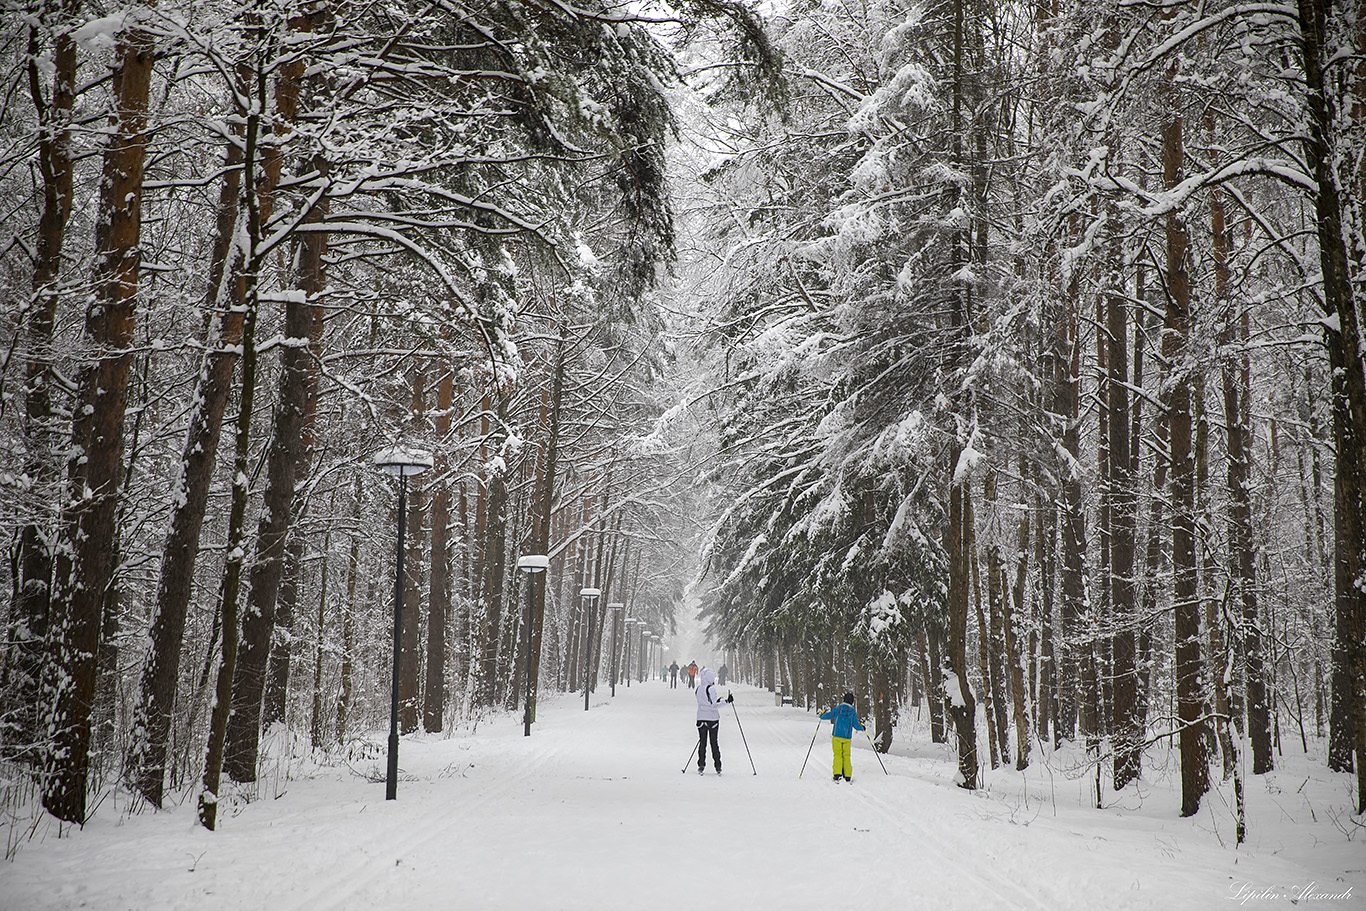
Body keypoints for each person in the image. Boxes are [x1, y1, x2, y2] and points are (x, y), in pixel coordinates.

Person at [820, 692, 866, 782]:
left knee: (837, 755)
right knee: (846, 756)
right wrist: (862, 727)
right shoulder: (852, 711)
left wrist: (822, 716)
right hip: (847, 737)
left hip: (836, 735)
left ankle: (837, 774)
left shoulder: (838, 708)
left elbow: (829, 715)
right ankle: (847, 775)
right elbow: (856, 724)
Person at [694, 667, 733, 774]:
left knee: (702, 742)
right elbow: (713, 706)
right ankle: (718, 765)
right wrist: (727, 701)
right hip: (712, 719)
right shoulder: (710, 689)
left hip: (701, 718)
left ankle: (701, 764)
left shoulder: (698, 689)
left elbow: (705, 702)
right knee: (713, 742)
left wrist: (717, 701)